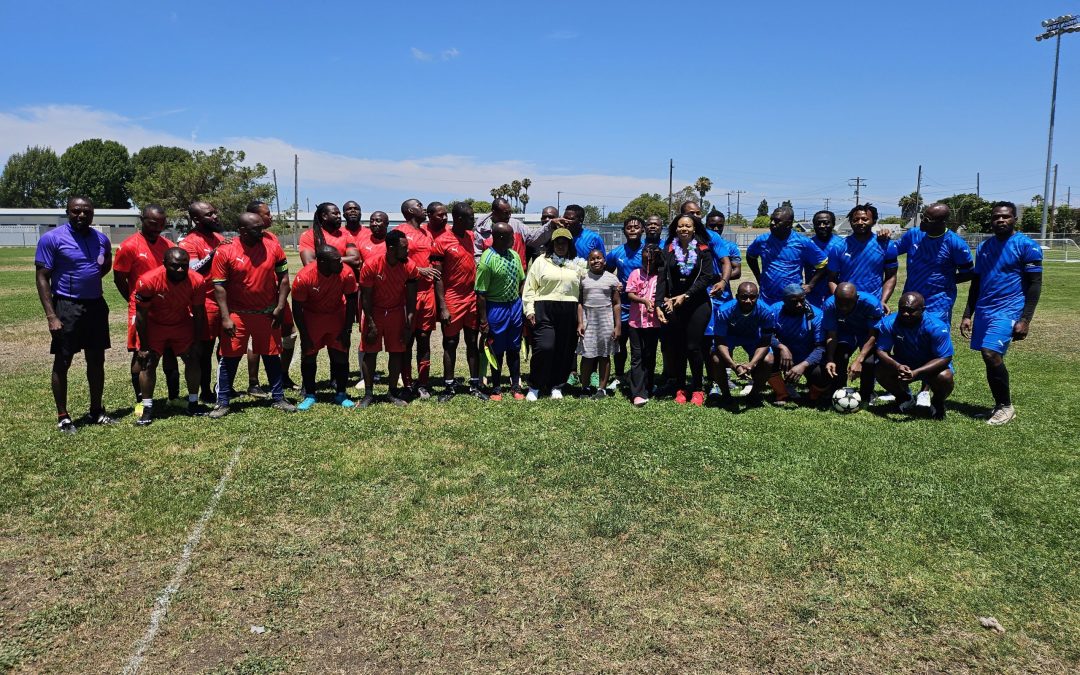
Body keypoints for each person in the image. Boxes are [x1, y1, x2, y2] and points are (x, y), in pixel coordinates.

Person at [34, 196, 114, 433]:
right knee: (63, 361)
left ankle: (96, 410)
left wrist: (87, 281)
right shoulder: (52, 239)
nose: (81, 215)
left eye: (87, 211)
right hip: (66, 307)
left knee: (97, 360)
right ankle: (63, 416)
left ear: (93, 213)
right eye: (76, 211)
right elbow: (42, 277)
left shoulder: (101, 239)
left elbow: (105, 265)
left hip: (96, 305)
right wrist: (52, 316)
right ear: (68, 212)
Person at [960, 201, 1042, 426]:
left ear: (1015, 219)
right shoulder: (985, 247)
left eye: (1006, 216)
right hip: (985, 310)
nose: (1001, 220)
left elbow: (1035, 285)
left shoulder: (1026, 246)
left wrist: (1025, 319)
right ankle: (998, 405)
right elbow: (976, 283)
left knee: (990, 353)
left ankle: (1006, 406)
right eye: (996, 217)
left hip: (1009, 310)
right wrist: (968, 314)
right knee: (989, 359)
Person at [209, 211, 296, 417]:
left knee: (272, 356)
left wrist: (280, 306)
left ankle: (278, 397)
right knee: (229, 358)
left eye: (261, 227)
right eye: (256, 228)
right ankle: (223, 402)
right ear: (242, 231)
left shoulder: (273, 247)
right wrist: (225, 317)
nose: (261, 231)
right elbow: (219, 287)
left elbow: (284, 279)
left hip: (267, 314)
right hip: (237, 314)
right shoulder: (226, 251)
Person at [132, 248, 209, 424]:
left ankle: (193, 403)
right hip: (155, 325)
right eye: (175, 266)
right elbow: (142, 316)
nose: (180, 270)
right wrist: (144, 346)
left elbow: (198, 313)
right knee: (148, 363)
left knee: (193, 359)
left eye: (184, 266)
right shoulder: (147, 281)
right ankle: (147, 408)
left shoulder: (197, 280)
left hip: (181, 324)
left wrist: (197, 341)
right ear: (164, 264)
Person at [113, 205, 177, 413]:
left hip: (165, 307)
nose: (157, 227)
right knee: (142, 353)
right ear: (142, 219)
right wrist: (133, 301)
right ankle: (141, 400)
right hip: (141, 308)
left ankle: (173, 397)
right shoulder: (129, 246)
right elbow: (119, 278)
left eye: (161, 223)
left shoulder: (168, 245)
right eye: (152, 223)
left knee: (169, 350)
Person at [658, 213, 716, 404]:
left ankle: (698, 389)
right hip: (674, 304)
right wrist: (661, 302)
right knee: (679, 348)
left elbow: (706, 277)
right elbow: (661, 277)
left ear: (694, 228)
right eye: (680, 226)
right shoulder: (668, 249)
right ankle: (681, 388)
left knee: (693, 346)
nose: (684, 229)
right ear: (675, 228)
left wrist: (687, 295)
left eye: (688, 226)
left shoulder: (703, 250)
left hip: (698, 303)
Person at [431, 201, 486, 402]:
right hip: (452, 299)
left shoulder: (471, 238)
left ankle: (474, 384)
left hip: (471, 298)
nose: (473, 221)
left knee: (472, 342)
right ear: (460, 219)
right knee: (450, 343)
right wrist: (443, 306)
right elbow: (437, 277)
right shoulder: (442, 241)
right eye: (471, 217)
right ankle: (448, 386)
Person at [292, 245, 358, 410]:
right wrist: (305, 335)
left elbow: (351, 302)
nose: (341, 263)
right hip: (313, 317)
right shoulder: (304, 277)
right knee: (309, 356)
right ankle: (310, 394)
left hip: (337, 315)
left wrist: (347, 329)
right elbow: (297, 309)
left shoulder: (346, 272)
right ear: (322, 262)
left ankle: (341, 394)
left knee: (341, 355)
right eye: (336, 261)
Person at [523, 228, 585, 400]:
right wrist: (529, 310)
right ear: (552, 243)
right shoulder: (541, 261)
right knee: (544, 347)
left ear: (570, 244)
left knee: (564, 350)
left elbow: (584, 289)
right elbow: (529, 288)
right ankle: (535, 385)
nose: (561, 245)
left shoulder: (578, 263)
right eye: (557, 241)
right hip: (544, 308)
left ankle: (557, 385)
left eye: (564, 242)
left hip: (569, 309)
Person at [359, 229, 419, 407]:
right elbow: (366, 297)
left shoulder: (410, 266)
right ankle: (368, 394)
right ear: (391, 248)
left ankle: (392, 392)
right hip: (374, 312)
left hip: (396, 313)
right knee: (370, 352)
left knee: (397, 352)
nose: (407, 251)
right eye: (404, 248)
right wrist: (370, 322)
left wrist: (408, 324)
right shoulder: (371, 264)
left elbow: (411, 299)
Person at [875, 291, 954, 420]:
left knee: (945, 377)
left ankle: (937, 403)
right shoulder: (889, 323)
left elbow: (945, 358)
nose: (906, 314)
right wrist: (897, 365)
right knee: (879, 368)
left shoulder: (937, 327)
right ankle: (903, 398)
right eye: (903, 310)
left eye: (911, 311)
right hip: (904, 362)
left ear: (923, 310)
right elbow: (881, 350)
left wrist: (916, 372)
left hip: (929, 365)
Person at [245, 201, 298, 392]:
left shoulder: (272, 237)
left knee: (290, 334)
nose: (271, 217)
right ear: (255, 217)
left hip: (278, 296)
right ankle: (254, 383)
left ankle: (283, 376)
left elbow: (281, 269)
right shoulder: (245, 242)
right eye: (267, 214)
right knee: (257, 339)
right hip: (259, 301)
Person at [896, 203, 973, 327]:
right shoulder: (913, 235)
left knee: (933, 338)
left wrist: (944, 281)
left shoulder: (956, 244)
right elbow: (892, 250)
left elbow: (968, 273)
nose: (921, 221)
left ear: (941, 222)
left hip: (939, 302)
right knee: (907, 338)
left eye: (926, 220)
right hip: (911, 299)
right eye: (922, 217)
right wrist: (883, 238)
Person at [179, 201, 225, 403]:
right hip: (204, 301)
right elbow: (192, 271)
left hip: (224, 299)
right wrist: (214, 254)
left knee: (226, 349)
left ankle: (223, 387)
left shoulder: (219, 238)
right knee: (204, 350)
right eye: (209, 214)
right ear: (196, 219)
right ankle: (205, 390)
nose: (215, 217)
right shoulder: (189, 242)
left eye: (215, 213)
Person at [475, 221, 527, 400]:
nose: (514, 239)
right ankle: (496, 387)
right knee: (496, 349)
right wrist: (483, 320)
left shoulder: (514, 255)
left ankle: (515, 386)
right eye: (512, 236)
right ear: (501, 238)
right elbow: (480, 293)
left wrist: (521, 305)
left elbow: (521, 280)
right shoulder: (487, 260)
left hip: (514, 306)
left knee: (514, 347)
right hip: (495, 308)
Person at [396, 198, 440, 397]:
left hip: (427, 293)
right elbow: (395, 261)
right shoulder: (399, 232)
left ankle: (423, 383)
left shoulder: (427, 233)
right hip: (408, 293)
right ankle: (406, 383)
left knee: (424, 338)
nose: (424, 208)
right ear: (409, 211)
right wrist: (418, 270)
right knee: (407, 339)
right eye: (419, 206)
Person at [708, 282, 775, 404]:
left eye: (752, 297)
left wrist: (752, 364)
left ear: (758, 296)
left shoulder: (767, 311)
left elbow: (766, 341)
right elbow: (720, 341)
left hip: (753, 337)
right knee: (716, 358)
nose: (748, 301)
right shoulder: (724, 310)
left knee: (768, 360)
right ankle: (726, 395)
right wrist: (734, 366)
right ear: (737, 296)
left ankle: (754, 395)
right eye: (744, 297)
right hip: (730, 336)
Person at [746, 206, 828, 306]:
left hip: (792, 299)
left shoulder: (802, 242)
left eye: (777, 221)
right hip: (767, 298)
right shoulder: (762, 240)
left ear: (788, 224)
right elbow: (750, 256)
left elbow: (823, 264)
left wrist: (810, 285)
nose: (772, 223)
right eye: (771, 219)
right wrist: (758, 276)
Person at [823, 282, 885, 406]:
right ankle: (838, 391)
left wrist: (859, 360)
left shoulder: (872, 303)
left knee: (869, 362)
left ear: (856, 298)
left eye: (848, 304)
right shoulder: (829, 305)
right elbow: (832, 335)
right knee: (840, 357)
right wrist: (830, 359)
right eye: (840, 304)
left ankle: (866, 394)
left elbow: (873, 334)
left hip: (866, 334)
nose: (844, 308)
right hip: (846, 333)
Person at [770, 283, 828, 405]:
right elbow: (765, 335)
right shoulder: (774, 310)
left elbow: (820, 347)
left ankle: (812, 395)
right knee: (766, 359)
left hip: (807, 357)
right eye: (794, 302)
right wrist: (781, 347)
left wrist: (803, 365)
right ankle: (782, 394)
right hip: (784, 356)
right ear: (784, 301)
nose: (799, 304)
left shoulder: (816, 315)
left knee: (823, 375)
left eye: (802, 300)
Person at [605, 216, 645, 389]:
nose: (633, 230)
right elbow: (605, 273)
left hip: (642, 306)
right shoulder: (617, 252)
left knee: (641, 345)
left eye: (636, 227)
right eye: (629, 227)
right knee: (620, 343)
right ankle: (620, 375)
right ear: (624, 231)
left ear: (642, 230)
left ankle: (640, 375)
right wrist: (615, 283)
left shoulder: (649, 251)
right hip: (622, 306)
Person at [833, 203, 898, 309]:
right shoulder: (838, 247)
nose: (860, 222)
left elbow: (891, 276)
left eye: (864, 219)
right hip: (846, 305)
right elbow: (832, 279)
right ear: (850, 222)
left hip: (874, 303)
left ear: (874, 222)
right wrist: (840, 300)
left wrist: (882, 301)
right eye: (855, 219)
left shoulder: (887, 245)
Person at [577, 249, 622, 398]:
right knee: (587, 355)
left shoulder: (612, 279)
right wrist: (580, 323)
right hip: (588, 318)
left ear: (604, 261)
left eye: (599, 258)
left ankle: (601, 389)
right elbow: (580, 303)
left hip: (605, 319)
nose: (596, 261)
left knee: (604, 355)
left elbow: (616, 304)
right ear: (588, 261)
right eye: (592, 259)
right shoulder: (582, 278)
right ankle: (584, 387)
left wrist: (617, 326)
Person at [624, 243, 666, 406]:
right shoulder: (635, 273)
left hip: (654, 323)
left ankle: (648, 386)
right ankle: (637, 393)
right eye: (644, 259)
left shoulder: (661, 277)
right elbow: (630, 294)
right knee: (637, 356)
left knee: (650, 355)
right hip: (635, 322)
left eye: (651, 260)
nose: (647, 263)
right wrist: (643, 300)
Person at [805, 210, 845, 310]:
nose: (822, 226)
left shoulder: (842, 244)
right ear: (813, 225)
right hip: (812, 293)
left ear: (833, 224)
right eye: (818, 223)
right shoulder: (807, 244)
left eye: (826, 223)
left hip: (836, 292)